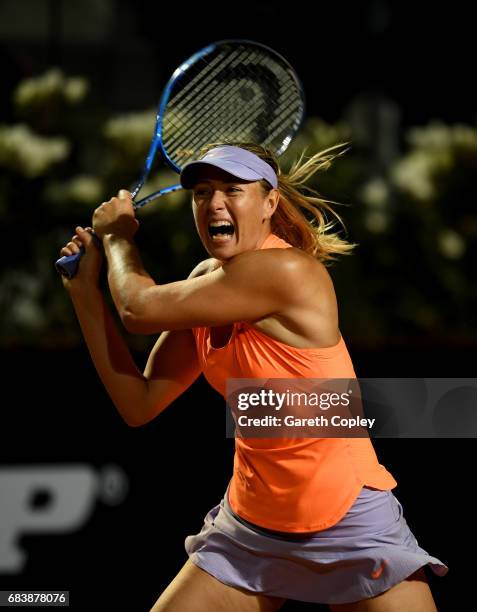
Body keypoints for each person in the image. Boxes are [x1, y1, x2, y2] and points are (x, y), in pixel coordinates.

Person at [59, 143, 448, 611]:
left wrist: (118, 236)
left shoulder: (286, 270)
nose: (215, 203)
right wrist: (85, 296)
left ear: (269, 204)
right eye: (202, 192)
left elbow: (136, 309)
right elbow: (138, 402)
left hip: (350, 519)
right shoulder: (207, 285)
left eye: (232, 189)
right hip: (252, 527)